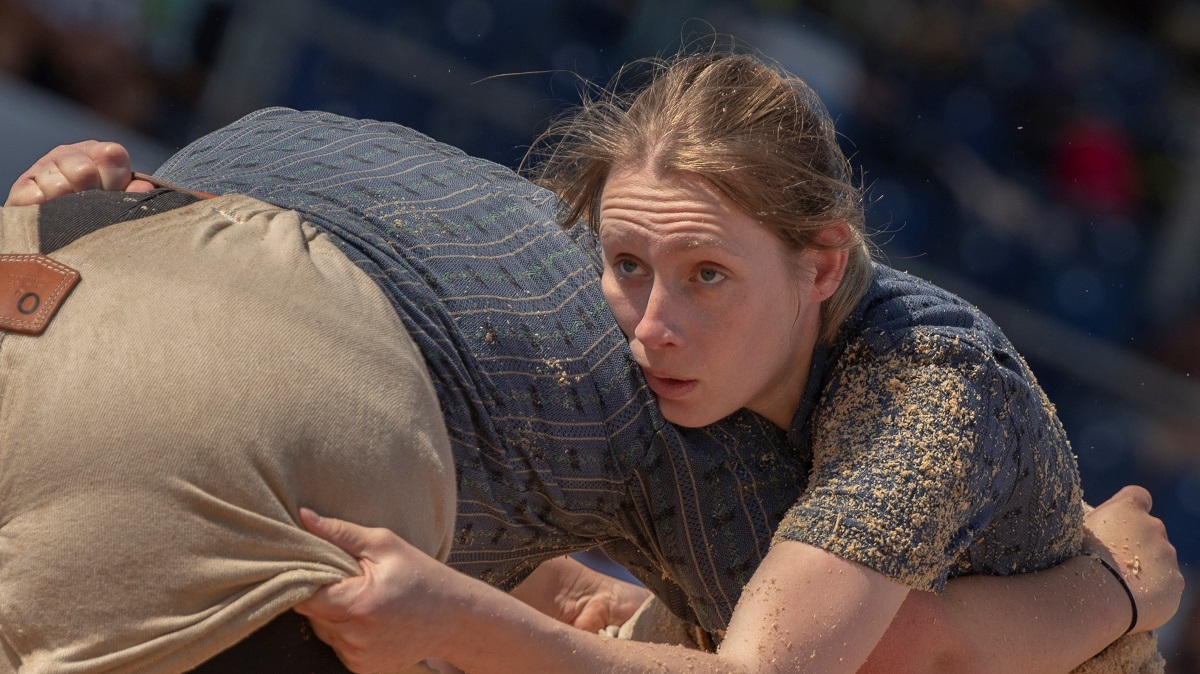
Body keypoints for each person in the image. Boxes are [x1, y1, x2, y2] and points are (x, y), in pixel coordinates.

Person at [3, 97, 1179, 674]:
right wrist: (1117, 587)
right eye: (634, 267)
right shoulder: (723, 432)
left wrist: (70, 216)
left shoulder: (892, 394)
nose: (654, 325)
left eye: (705, 276)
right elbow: (903, 647)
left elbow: (903, 640)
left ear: (822, 262)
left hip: (62, 253)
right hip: (217, 390)